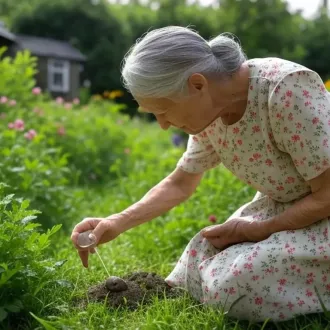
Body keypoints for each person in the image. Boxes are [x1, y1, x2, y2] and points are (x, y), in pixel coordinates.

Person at [71, 26, 330, 322]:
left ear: (197, 84)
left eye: (164, 111)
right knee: (202, 254)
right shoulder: (212, 112)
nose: (163, 126)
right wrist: (116, 222)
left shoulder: (285, 90)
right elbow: (180, 183)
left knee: (236, 286)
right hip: (286, 208)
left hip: (323, 209)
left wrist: (258, 230)